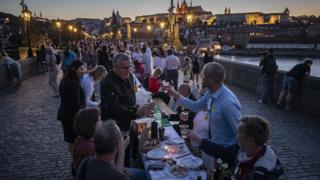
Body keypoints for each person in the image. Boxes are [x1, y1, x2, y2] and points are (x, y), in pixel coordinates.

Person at [166, 62, 241, 163]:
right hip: (215, 148)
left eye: (203, 75)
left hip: (225, 153)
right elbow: (195, 106)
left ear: (212, 79)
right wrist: (174, 93)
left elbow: (240, 133)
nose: (201, 76)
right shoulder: (211, 92)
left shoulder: (228, 103)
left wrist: (227, 154)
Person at [100, 53, 155, 166]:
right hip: (114, 128)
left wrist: (140, 107)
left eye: (130, 67)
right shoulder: (107, 82)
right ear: (115, 67)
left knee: (126, 155)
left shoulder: (129, 76)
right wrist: (136, 111)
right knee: (117, 160)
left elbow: (132, 95)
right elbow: (112, 107)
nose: (128, 70)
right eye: (124, 67)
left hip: (128, 123)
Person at [188, 115, 283, 179]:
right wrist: (219, 168)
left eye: (239, 134)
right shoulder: (243, 149)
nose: (236, 136)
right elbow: (222, 153)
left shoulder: (262, 173)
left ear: (250, 140)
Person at [76, 120, 147, 180]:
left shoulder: (86, 161)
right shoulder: (117, 176)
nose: (122, 136)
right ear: (119, 143)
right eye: (121, 136)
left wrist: (121, 150)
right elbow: (118, 174)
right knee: (144, 174)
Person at [58, 60, 86, 160]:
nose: (83, 71)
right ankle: (76, 164)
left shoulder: (68, 80)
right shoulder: (72, 83)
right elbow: (76, 105)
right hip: (71, 117)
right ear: (74, 69)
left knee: (72, 141)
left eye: (84, 69)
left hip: (68, 116)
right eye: (81, 69)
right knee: (74, 142)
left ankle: (75, 163)